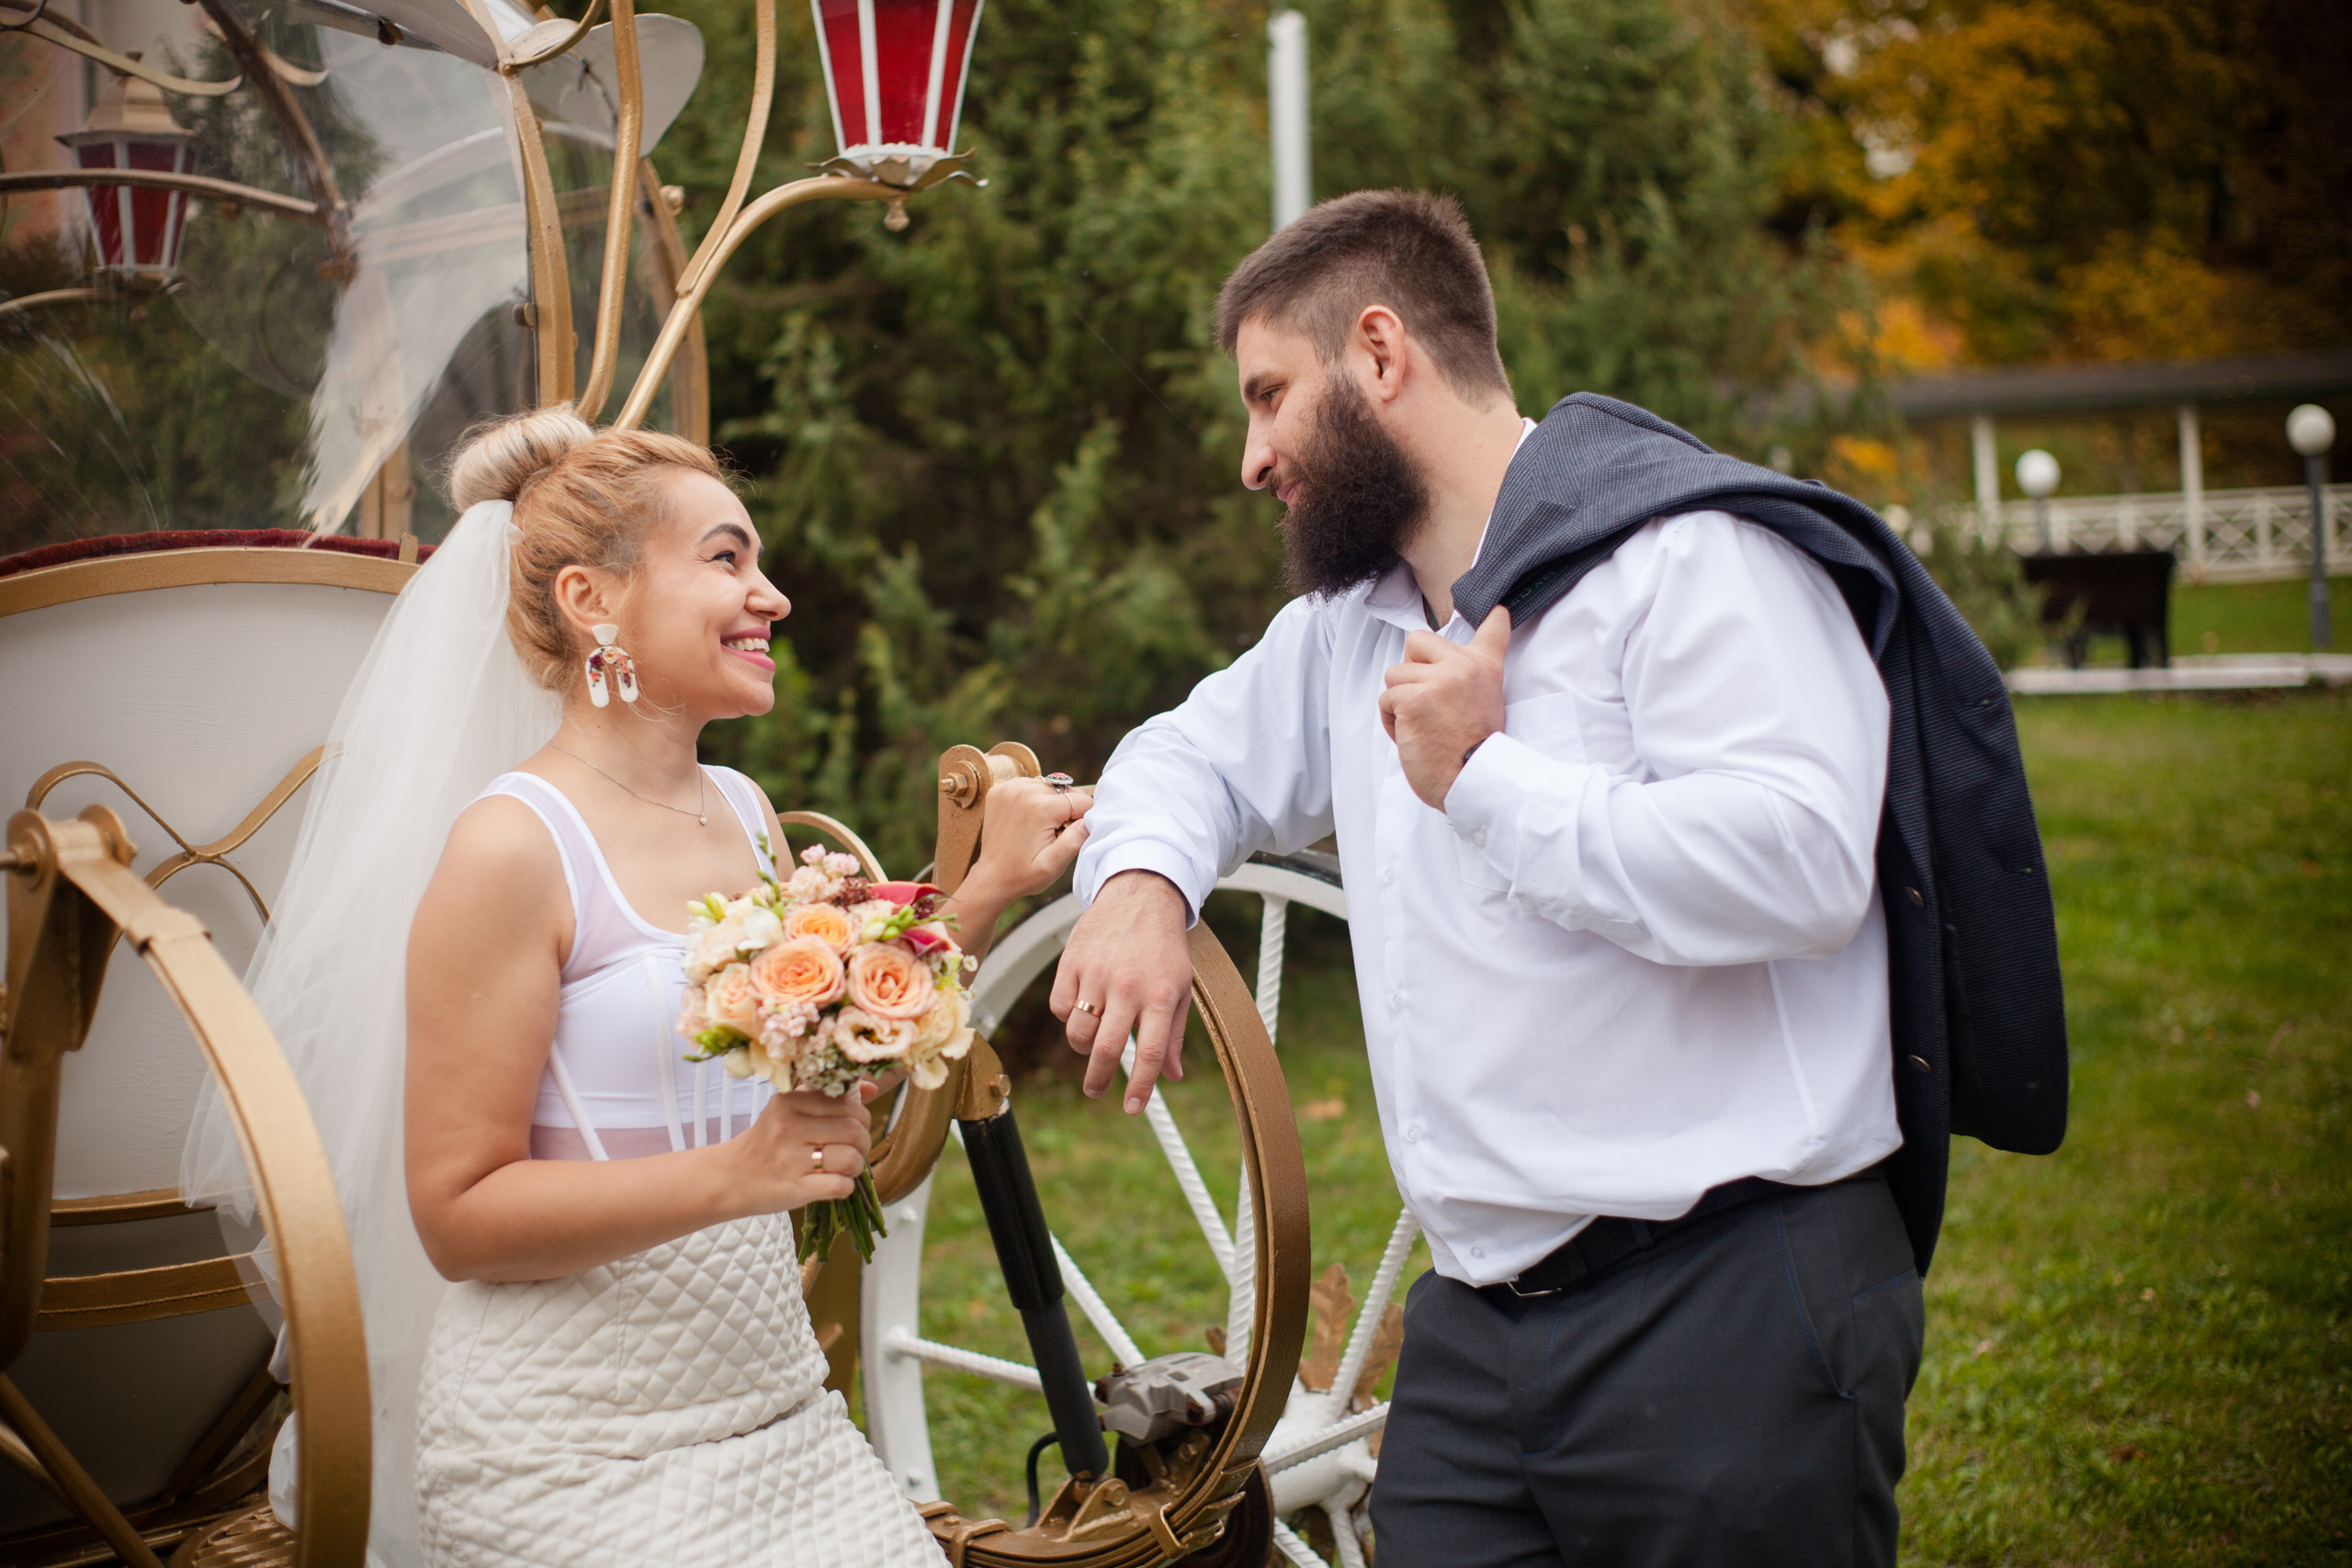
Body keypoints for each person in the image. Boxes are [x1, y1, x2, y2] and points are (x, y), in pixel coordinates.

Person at [1053, 190, 1923, 1566]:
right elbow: (1185, 754)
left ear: (1381, 354)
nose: (1251, 455)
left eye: (1271, 395)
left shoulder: (1690, 556)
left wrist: (1487, 781)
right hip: (1471, 1339)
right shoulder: (1354, 627)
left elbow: (1805, 861)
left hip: (1726, 1302)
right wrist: (1142, 886)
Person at [185, 408, 1091, 1567]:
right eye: (727, 558)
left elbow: (838, 1025)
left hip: (777, 1413)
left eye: (757, 560)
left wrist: (987, 887)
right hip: (569, 1451)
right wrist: (736, 1174)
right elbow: (458, 1218)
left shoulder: (744, 815)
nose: (774, 596)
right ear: (590, 601)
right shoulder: (514, 849)